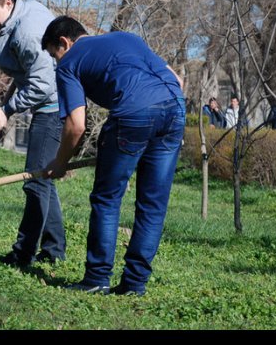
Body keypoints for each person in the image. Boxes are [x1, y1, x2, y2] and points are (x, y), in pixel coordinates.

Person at [41, 16, 185, 296]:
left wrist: (60, 163)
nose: (56, 63)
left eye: (54, 56)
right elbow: (175, 77)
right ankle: (134, 284)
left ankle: (96, 277)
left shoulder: (70, 63)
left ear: (64, 42)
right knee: (152, 205)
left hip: (134, 113)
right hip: (175, 108)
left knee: (107, 198)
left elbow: (76, 124)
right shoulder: (127, 37)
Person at [0, 0, 65, 267]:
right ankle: (53, 251)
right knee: (43, 179)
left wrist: (9, 109)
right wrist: (6, 105)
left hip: (52, 107)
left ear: (8, 3)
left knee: (34, 181)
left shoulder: (27, 31)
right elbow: (25, 74)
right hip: (52, 105)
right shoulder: (22, 15)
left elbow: (41, 83)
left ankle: (23, 253)